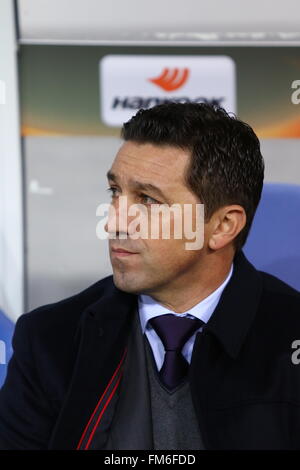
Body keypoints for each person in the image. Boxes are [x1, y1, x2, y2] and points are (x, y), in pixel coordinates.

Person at [0, 102, 299, 450]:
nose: (113, 223)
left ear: (222, 226)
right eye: (115, 192)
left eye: (148, 200)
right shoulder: (50, 341)